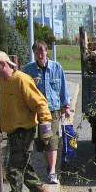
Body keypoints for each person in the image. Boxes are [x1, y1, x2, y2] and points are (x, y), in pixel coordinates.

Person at [0, 51, 55, 192]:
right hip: (13, 131)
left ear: (5, 64)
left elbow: (40, 102)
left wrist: (45, 127)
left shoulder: (22, 79)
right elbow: (1, 103)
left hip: (25, 130)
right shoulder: (1, 81)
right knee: (23, 166)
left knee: (13, 169)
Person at [23, 41, 72, 184]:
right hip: (36, 112)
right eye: (36, 53)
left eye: (41, 52)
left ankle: (51, 172)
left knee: (52, 141)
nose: (39, 55)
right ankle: (48, 166)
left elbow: (63, 88)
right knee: (41, 143)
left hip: (53, 111)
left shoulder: (57, 68)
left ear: (46, 52)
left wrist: (66, 106)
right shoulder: (28, 70)